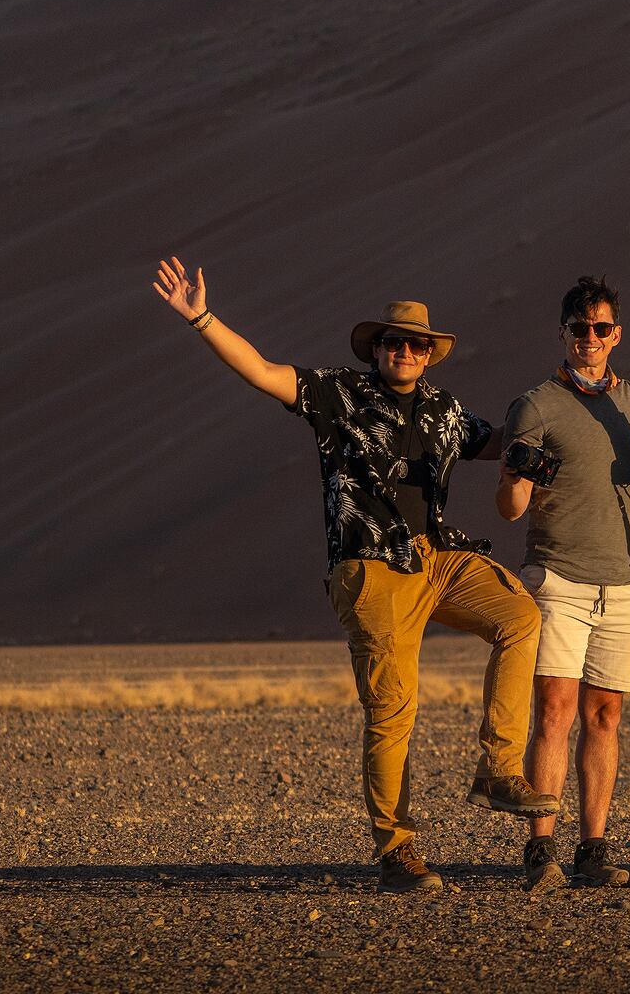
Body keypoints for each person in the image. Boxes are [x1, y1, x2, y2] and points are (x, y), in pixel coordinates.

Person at [150, 261, 554, 893]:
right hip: (371, 564)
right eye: (393, 342)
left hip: (436, 556)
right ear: (378, 350)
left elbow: (502, 441)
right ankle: (397, 850)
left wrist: (553, 422)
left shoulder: (444, 411)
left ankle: (499, 769)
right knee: (394, 708)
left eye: (416, 343)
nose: (404, 351)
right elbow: (260, 371)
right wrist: (202, 318)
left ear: (430, 354)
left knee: (520, 616)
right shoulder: (339, 394)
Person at [496, 276, 630, 890]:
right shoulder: (535, 405)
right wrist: (516, 476)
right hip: (558, 576)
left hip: (623, 583)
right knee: (555, 713)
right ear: (562, 333)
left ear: (617, 334)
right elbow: (510, 508)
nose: (590, 339)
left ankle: (593, 848)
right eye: (579, 329)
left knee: (606, 716)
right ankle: (541, 849)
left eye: (601, 329)